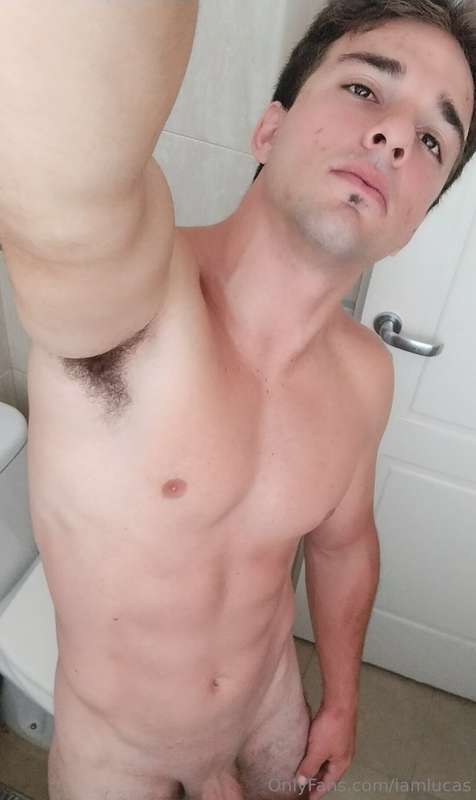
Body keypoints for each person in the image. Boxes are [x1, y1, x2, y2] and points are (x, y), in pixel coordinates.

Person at [0, 0, 474, 798]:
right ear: (268, 130)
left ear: (415, 224)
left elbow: (343, 545)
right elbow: (60, 160)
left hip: (270, 718)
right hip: (122, 762)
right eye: (365, 88)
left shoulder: (365, 374)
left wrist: (342, 701)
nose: (396, 135)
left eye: (433, 138)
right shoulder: (131, 306)